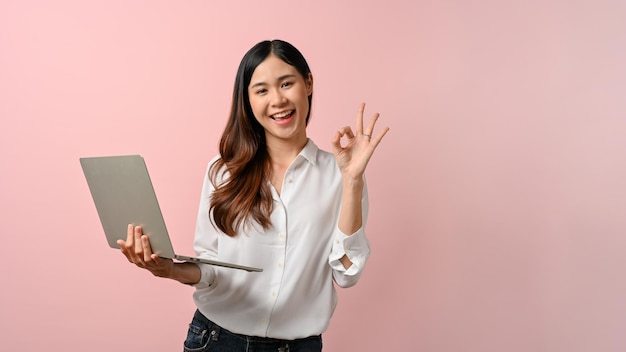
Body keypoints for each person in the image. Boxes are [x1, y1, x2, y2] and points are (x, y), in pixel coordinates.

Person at [117, 39, 389, 352]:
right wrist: (168, 269)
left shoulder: (341, 175)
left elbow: (346, 275)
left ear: (308, 83)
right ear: (248, 100)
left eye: (286, 83)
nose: (277, 99)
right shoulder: (223, 172)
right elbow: (210, 270)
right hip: (215, 340)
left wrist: (352, 180)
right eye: (261, 90)